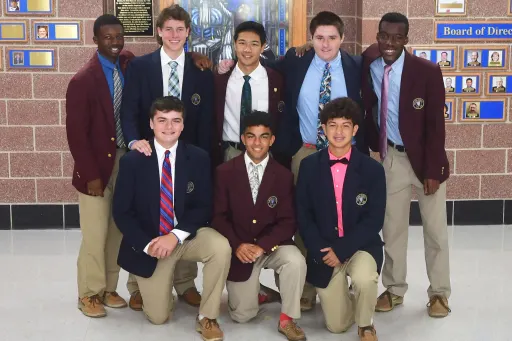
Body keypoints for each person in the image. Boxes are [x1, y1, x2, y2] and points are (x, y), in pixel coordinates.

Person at [113, 96, 231, 341]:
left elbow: (204, 206)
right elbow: (122, 213)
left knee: (221, 247)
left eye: (176, 121)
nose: (169, 127)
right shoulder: (132, 161)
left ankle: (207, 317)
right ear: (151, 124)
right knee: (158, 317)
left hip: (185, 235)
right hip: (152, 243)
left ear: (183, 125)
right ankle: (140, 284)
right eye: (162, 121)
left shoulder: (198, 158)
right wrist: (148, 245)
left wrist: (174, 236)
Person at [121, 5, 213, 309]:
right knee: (146, 209)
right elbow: (130, 109)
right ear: (159, 31)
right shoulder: (141, 66)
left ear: (188, 33)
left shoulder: (200, 69)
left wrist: (204, 159)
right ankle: (137, 283)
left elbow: (205, 120)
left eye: (180, 29)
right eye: (168, 29)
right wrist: (135, 142)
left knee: (182, 214)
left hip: (187, 157)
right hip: (151, 152)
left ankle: (185, 282)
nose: (174, 35)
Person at [361, 12, 451, 318]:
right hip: (391, 157)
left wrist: (434, 170)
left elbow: (436, 125)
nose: (389, 43)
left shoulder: (426, 71)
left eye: (397, 37)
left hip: (425, 159)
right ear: (378, 35)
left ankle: (439, 293)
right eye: (384, 36)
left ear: (406, 40)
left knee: (435, 230)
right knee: (393, 228)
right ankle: (395, 289)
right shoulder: (370, 64)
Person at [212, 111, 307, 341]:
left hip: (272, 246)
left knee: (296, 261)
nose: (257, 143)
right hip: (240, 249)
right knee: (242, 316)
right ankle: (260, 293)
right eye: (251, 136)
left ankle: (287, 319)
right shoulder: (225, 172)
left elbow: (288, 221)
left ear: (272, 140)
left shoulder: (283, 176)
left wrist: (262, 246)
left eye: (263, 137)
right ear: (243, 138)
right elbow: (218, 217)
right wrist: (237, 245)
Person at [296, 97, 385, 341]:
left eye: (345, 125)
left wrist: (343, 249)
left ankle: (366, 323)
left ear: (355, 130)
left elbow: (374, 220)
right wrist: (320, 250)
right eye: (332, 125)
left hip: (360, 246)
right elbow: (303, 215)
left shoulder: (372, 170)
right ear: (323, 129)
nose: (338, 132)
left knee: (364, 279)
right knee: (336, 326)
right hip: (325, 250)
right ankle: (347, 299)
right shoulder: (309, 166)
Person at [65, 14, 134, 318]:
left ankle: (108, 287)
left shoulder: (127, 65)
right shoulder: (83, 80)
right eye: (107, 37)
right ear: (95, 40)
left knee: (116, 230)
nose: (115, 42)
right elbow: (76, 135)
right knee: (95, 233)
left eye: (118, 36)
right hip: (95, 167)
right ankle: (89, 294)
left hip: (125, 161)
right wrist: (91, 175)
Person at [212, 21, 285, 168]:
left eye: (254, 44)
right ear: (234, 44)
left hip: (266, 154)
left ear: (263, 47)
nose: (247, 49)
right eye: (242, 43)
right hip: (230, 153)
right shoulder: (220, 81)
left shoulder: (276, 80)